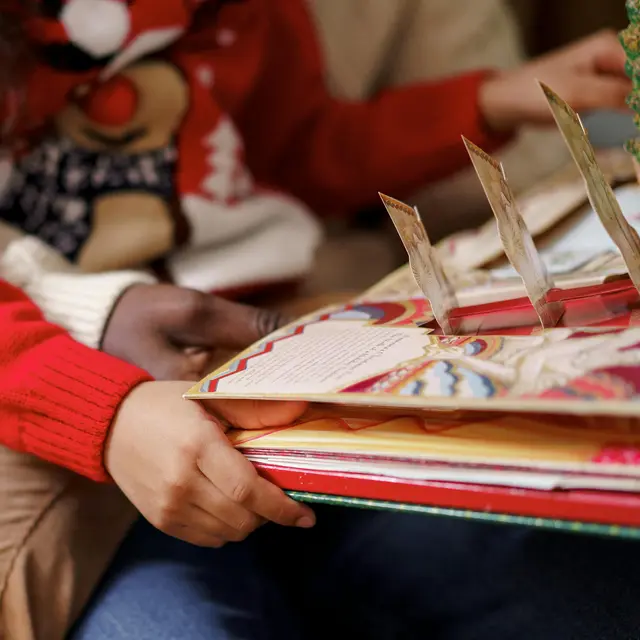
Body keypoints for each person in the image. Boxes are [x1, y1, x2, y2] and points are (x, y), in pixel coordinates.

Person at [1, 2, 640, 638]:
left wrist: (487, 102)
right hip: (86, 431)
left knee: (576, 589)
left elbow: (300, 148)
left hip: (289, 389)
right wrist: (107, 414)